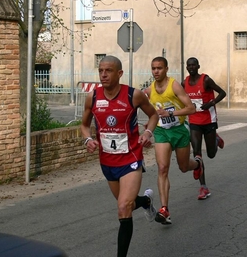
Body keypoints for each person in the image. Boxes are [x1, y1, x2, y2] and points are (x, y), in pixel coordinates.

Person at [80, 55, 159, 257]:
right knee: (128, 205)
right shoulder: (93, 97)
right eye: (100, 71)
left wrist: (148, 133)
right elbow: (84, 125)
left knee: (123, 207)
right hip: (107, 161)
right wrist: (88, 139)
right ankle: (147, 202)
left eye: (108, 71)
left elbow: (153, 115)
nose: (103, 75)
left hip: (131, 159)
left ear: (119, 73)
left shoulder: (134, 95)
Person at [144, 56, 201, 225]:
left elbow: (191, 109)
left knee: (184, 167)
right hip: (162, 132)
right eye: (153, 68)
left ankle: (198, 164)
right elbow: (151, 110)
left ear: (166, 69)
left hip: (179, 131)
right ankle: (164, 209)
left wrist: (170, 113)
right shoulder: (149, 90)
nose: (156, 71)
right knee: (162, 168)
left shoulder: (174, 85)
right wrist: (150, 122)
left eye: (159, 68)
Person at [182, 57, 227, 200]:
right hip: (194, 121)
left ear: (198, 66)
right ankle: (203, 187)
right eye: (189, 65)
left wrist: (211, 103)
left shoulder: (206, 80)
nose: (191, 67)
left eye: (193, 65)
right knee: (197, 154)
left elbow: (222, 93)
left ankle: (216, 139)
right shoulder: (185, 83)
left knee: (211, 154)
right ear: (187, 67)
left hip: (209, 120)